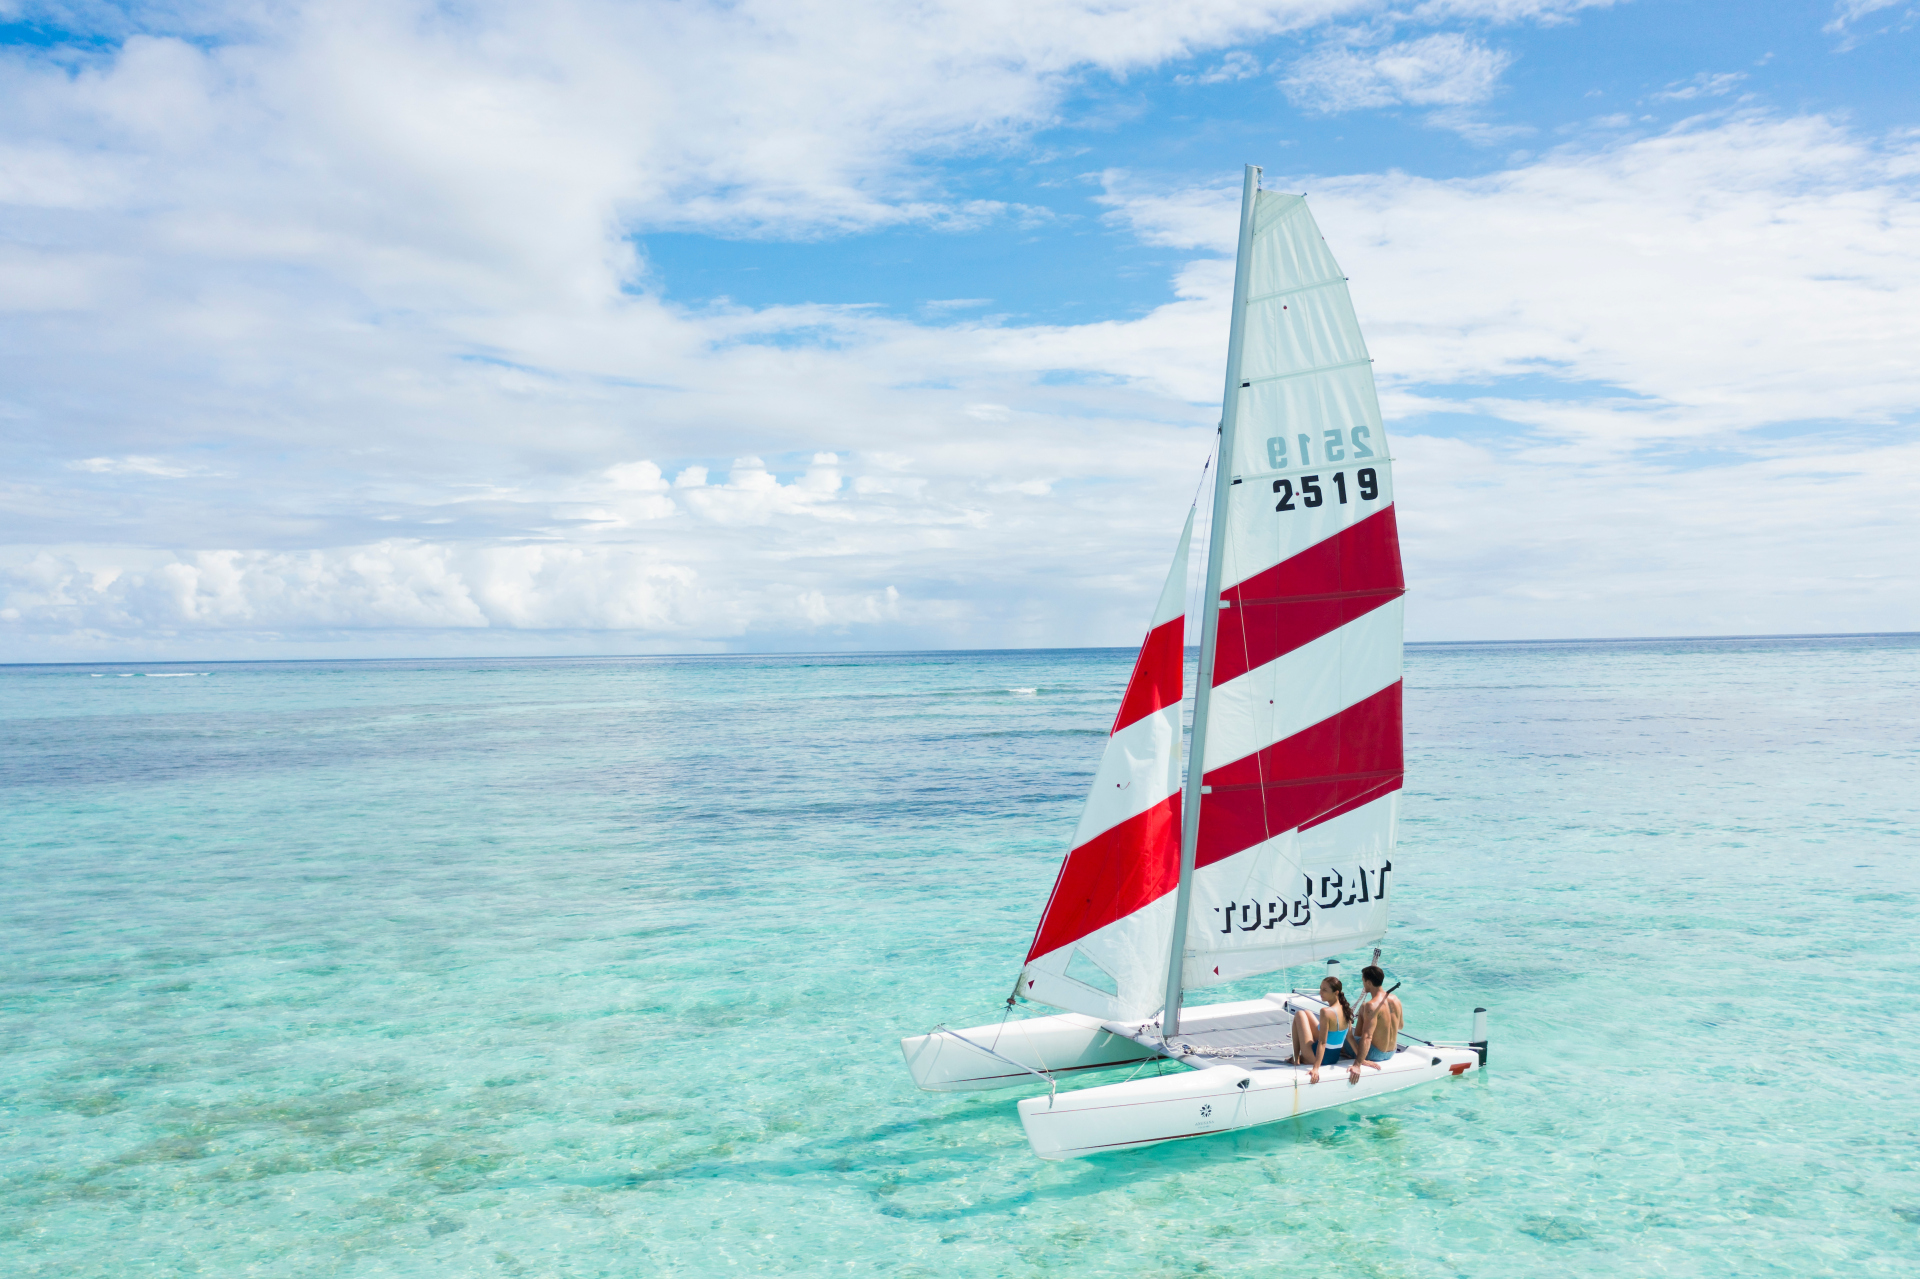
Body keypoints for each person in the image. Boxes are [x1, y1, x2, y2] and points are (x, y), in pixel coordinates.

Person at [1289, 976, 1351, 1084]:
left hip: (1317, 1058)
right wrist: (1360, 1060)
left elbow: (1322, 1043)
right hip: (1334, 1057)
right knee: (1307, 1012)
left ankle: (1296, 1058)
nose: (1320, 992)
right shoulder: (1345, 1008)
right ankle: (1298, 1057)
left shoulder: (1326, 1012)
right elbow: (1349, 1037)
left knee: (1299, 1014)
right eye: (1320, 988)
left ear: (1336, 992)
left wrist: (1316, 1068)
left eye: (1324, 990)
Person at [1347, 965, 1402, 1084]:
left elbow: (1367, 1037)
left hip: (1375, 1053)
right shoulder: (1395, 999)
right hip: (1391, 1051)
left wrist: (1357, 1064)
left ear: (1369, 982)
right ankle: (1356, 1045)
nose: (1363, 984)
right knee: (1362, 1007)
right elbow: (1400, 1025)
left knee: (1339, 1040)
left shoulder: (1371, 1005)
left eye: (1363, 981)